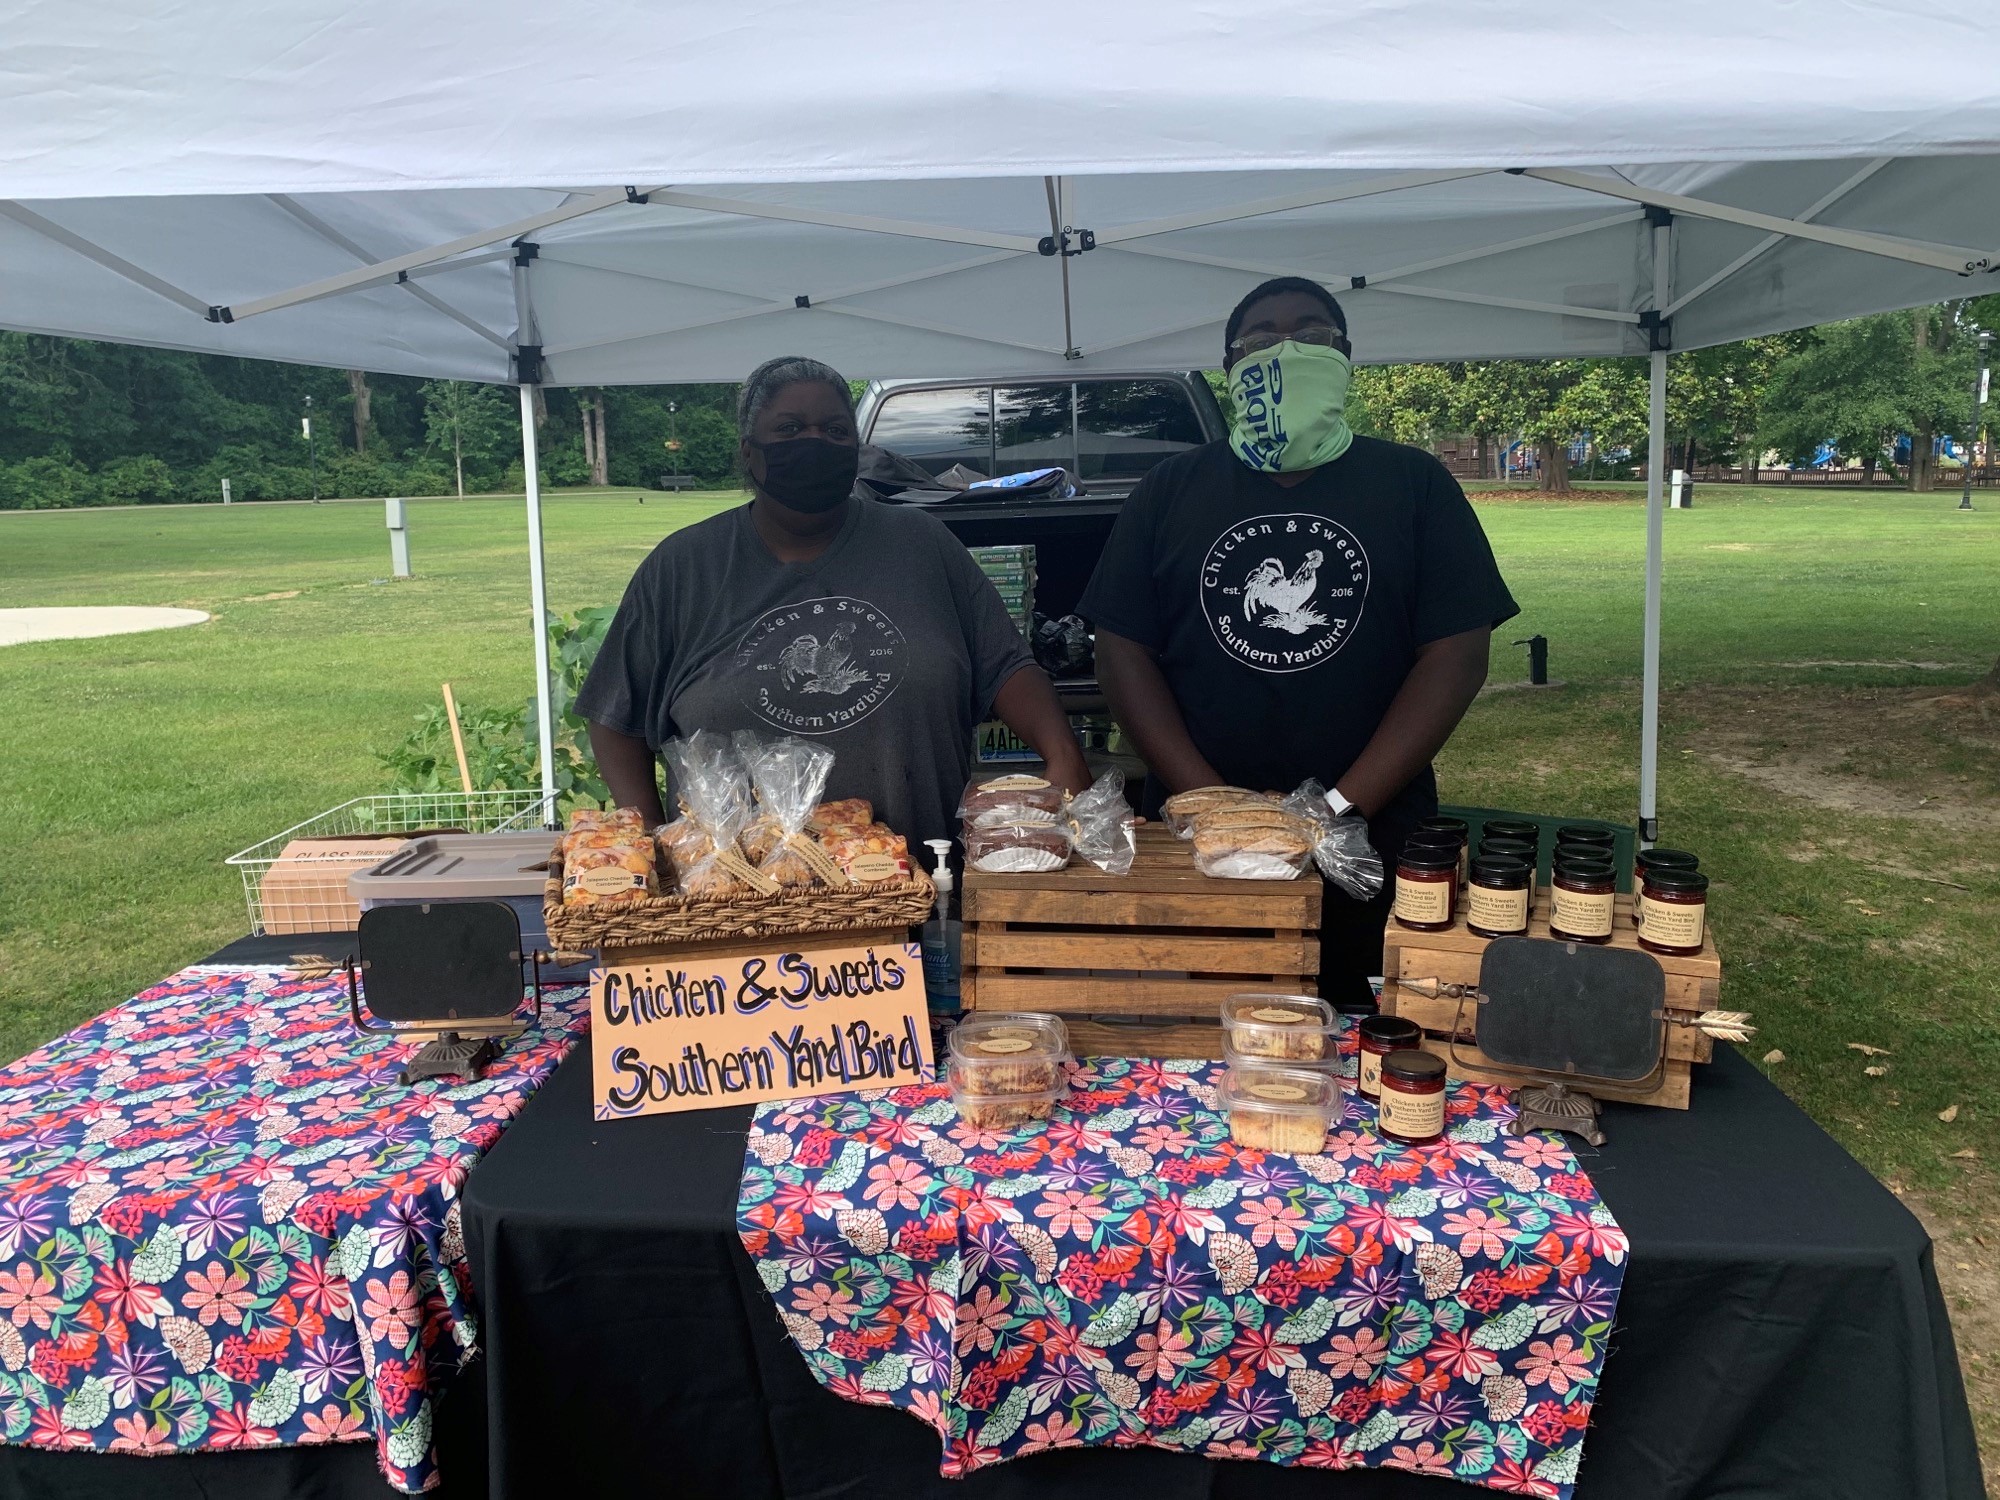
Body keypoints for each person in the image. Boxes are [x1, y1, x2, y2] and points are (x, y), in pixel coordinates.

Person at [1079, 277, 1518, 1007]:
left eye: (1312, 334)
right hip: (1199, 842)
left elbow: (1457, 653)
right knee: (1209, 1021)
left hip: (1373, 836)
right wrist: (1216, 809)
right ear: (1231, 366)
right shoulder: (1170, 487)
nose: (1287, 349)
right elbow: (1122, 650)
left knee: (1372, 1023)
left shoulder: (1413, 483)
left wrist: (1337, 808)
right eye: (1261, 338)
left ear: (1345, 357)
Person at [577, 356, 1090, 849]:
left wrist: (1063, 754)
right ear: (749, 451)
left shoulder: (921, 545)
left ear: (856, 448)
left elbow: (1007, 666)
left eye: (835, 430)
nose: (814, 442)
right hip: (736, 890)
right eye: (789, 428)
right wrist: (648, 837)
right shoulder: (683, 568)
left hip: (915, 877)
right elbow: (614, 714)